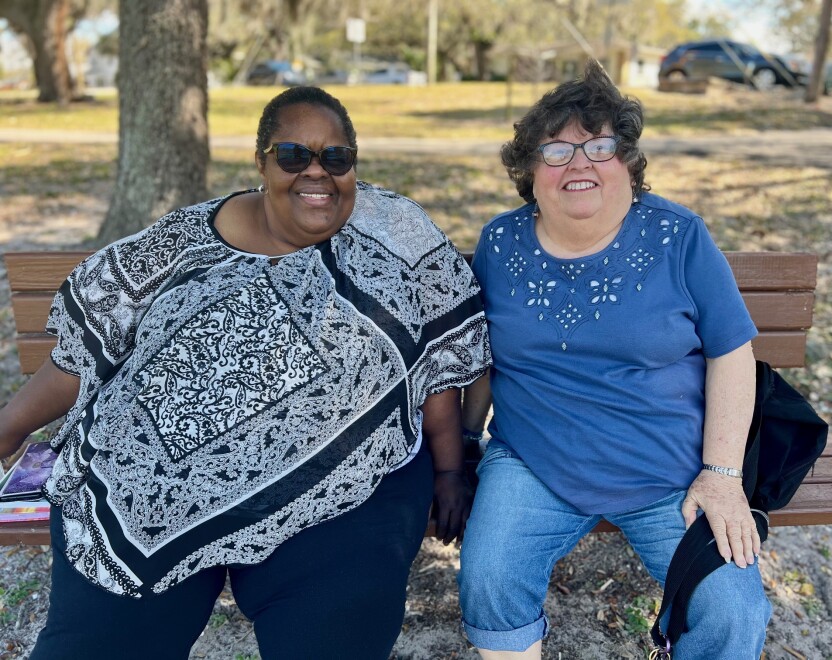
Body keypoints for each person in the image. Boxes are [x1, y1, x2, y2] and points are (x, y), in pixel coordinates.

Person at [0, 86, 490, 660]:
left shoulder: (394, 231)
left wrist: (453, 464)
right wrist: (7, 430)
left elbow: (439, 358)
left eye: (336, 158)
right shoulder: (178, 243)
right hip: (154, 494)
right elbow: (82, 352)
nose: (317, 173)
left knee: (334, 630)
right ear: (260, 162)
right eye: (293, 156)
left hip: (343, 488)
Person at [457, 59, 772, 659]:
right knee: (489, 577)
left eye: (599, 146)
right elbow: (477, 359)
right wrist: (463, 450)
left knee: (731, 607)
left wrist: (723, 474)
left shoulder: (679, 237)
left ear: (627, 161)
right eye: (555, 151)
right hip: (534, 464)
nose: (578, 164)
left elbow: (732, 351)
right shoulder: (500, 244)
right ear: (529, 171)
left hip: (669, 475)